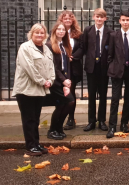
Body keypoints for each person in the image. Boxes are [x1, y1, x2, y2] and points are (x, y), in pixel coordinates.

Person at [12, 23, 55, 156]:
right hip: (26, 90)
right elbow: (29, 68)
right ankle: (30, 146)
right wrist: (43, 81)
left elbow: (51, 67)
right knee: (29, 119)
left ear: (45, 35)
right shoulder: (25, 47)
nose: (39, 35)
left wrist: (51, 80)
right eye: (37, 32)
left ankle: (36, 143)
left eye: (42, 33)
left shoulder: (46, 49)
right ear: (31, 34)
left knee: (36, 119)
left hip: (40, 89)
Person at [106, 12, 129, 138]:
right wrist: (112, 66)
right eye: (123, 20)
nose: (125, 22)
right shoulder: (113, 35)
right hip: (117, 71)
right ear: (119, 21)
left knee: (128, 99)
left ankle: (124, 123)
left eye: (127, 20)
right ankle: (112, 126)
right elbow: (109, 54)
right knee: (115, 99)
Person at [82, 8, 113, 131]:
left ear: (105, 18)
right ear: (93, 17)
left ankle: (101, 120)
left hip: (103, 68)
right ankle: (91, 121)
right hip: (91, 67)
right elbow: (83, 47)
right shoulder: (88, 30)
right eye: (97, 16)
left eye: (102, 17)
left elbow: (111, 50)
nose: (99, 19)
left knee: (103, 95)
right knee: (91, 96)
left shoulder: (109, 32)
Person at [44, 22, 75, 140]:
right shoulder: (49, 45)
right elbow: (53, 67)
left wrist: (68, 81)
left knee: (64, 104)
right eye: (59, 29)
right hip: (55, 81)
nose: (61, 31)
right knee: (67, 102)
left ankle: (58, 128)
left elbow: (66, 66)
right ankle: (52, 130)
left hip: (64, 81)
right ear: (54, 31)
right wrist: (63, 81)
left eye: (63, 30)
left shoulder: (64, 45)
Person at [57, 11, 84, 131]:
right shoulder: (57, 33)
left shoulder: (78, 34)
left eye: (70, 18)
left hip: (73, 67)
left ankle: (71, 119)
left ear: (73, 20)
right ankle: (59, 118)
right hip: (61, 68)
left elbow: (83, 48)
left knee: (71, 93)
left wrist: (72, 57)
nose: (67, 20)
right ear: (61, 20)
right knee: (61, 93)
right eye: (65, 18)